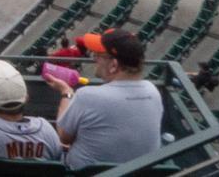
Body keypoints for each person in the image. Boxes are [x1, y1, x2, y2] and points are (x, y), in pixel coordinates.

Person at [51, 30, 163, 169]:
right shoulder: (153, 91)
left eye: (98, 55)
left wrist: (66, 93)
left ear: (114, 65)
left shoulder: (87, 96)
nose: (94, 59)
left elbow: (63, 136)